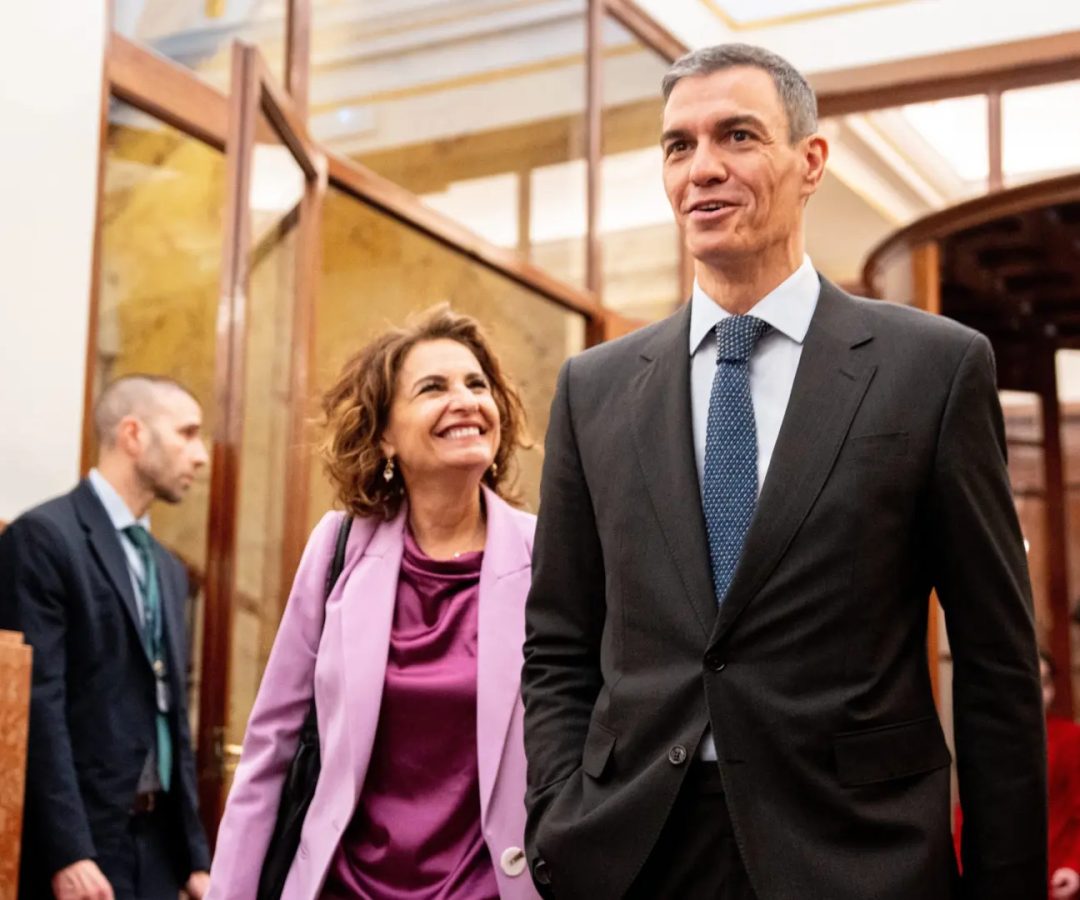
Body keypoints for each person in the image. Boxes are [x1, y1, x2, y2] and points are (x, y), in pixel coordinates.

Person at [521, 42, 1046, 899]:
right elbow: (559, 641)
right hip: (634, 854)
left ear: (810, 163)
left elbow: (996, 661)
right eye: (678, 145)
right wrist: (557, 812)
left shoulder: (933, 369)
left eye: (736, 136)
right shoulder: (595, 388)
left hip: (856, 855)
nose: (703, 170)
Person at [208, 306, 540, 900]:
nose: (464, 400)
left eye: (477, 384)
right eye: (432, 388)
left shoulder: (550, 556)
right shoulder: (336, 547)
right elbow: (271, 748)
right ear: (386, 434)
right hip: (341, 888)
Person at [0, 375, 211, 900]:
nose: (201, 455)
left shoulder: (169, 569)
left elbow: (173, 719)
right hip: (82, 850)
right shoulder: (44, 539)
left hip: (158, 851)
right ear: (133, 435)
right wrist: (67, 850)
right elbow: (35, 707)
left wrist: (194, 857)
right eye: (187, 434)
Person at [956, 649, 1080, 899]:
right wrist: (961, 869)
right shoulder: (987, 741)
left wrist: (1074, 865)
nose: (1036, 693)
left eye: (1044, 683)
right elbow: (968, 811)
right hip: (997, 877)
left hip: (1056, 877)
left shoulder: (1071, 738)